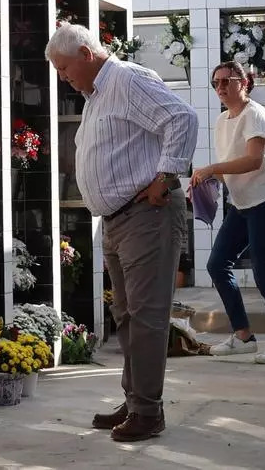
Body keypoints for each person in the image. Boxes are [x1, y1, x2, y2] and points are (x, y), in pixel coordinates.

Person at [45, 22, 198, 442]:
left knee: (146, 318)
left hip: (145, 215)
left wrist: (166, 177)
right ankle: (135, 402)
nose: (63, 76)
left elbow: (182, 117)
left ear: (85, 54)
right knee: (127, 318)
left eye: (63, 67)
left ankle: (147, 412)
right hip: (119, 219)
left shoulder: (126, 80)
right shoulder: (97, 94)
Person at [189, 61, 265, 363]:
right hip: (242, 204)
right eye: (216, 83)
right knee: (217, 265)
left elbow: (253, 162)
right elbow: (227, 170)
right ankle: (243, 336)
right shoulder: (222, 121)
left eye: (226, 81)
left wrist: (212, 168)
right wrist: (204, 184)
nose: (220, 88)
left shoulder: (256, 115)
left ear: (244, 82)